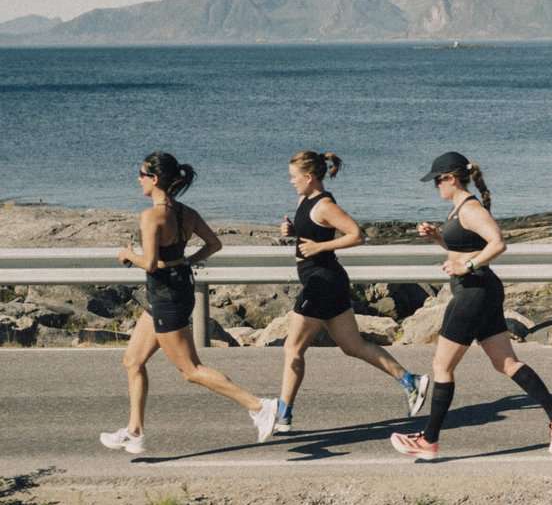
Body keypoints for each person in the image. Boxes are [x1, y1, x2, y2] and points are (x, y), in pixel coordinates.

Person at [390, 151, 552, 461]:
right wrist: (439, 239)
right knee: (505, 363)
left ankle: (429, 440)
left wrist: (469, 266)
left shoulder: (470, 209)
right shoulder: (458, 210)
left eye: (437, 180)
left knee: (442, 367)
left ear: (451, 178)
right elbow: (466, 247)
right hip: (482, 292)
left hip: (473, 294)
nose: (435, 186)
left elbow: (497, 242)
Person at [99, 152, 278, 455]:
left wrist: (128, 255)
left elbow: (152, 264)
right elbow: (214, 244)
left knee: (191, 370)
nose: (137, 179)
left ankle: (259, 406)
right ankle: (135, 432)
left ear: (154, 179)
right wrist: (185, 261)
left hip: (166, 296)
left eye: (141, 174)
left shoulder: (151, 216)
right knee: (133, 361)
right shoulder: (186, 213)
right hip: (171, 292)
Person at [273, 150, 429, 434]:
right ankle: (410, 380)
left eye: (293, 177)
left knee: (292, 348)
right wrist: (292, 230)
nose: (290, 181)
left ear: (309, 178)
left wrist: (319, 248)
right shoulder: (305, 200)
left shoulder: (324, 205)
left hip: (321, 282)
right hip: (327, 281)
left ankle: (283, 413)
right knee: (352, 346)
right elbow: (313, 231)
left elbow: (357, 234)